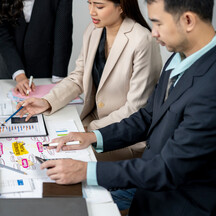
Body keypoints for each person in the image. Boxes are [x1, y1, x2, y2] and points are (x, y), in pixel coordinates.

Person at [37, 0, 216, 216]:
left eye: (157, 23)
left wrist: (87, 171)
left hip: (178, 214)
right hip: (148, 189)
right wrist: (93, 136)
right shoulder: (179, 57)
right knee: (61, 208)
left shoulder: (210, 88)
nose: (153, 32)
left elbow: (167, 168)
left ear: (188, 20)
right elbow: (148, 116)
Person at [18, 0, 162, 161]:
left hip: (123, 138)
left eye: (99, 6)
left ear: (121, 6)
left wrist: (88, 130)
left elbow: (136, 108)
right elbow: (78, 76)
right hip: (91, 127)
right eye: (89, 3)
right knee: (43, 146)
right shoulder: (94, 30)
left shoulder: (142, 40)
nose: (92, 11)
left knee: (59, 158)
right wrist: (47, 101)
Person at [0, 0, 73, 95]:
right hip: (10, 64)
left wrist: (59, 78)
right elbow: (4, 35)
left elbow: (62, 32)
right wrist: (19, 75)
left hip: (45, 61)